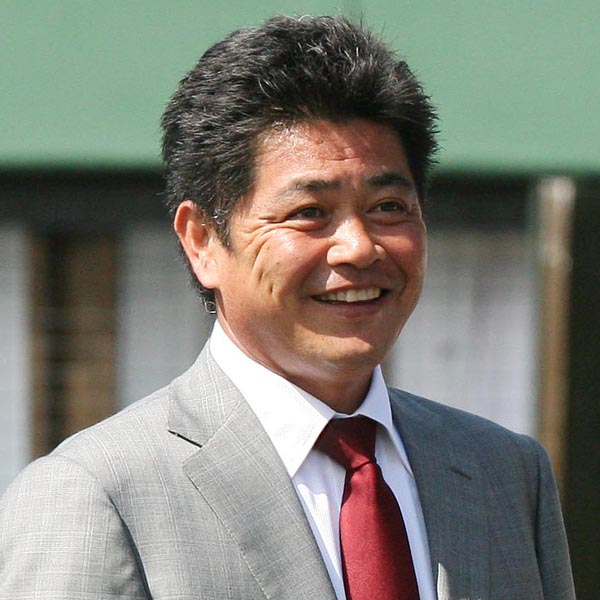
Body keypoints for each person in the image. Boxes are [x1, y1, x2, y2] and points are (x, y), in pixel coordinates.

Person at [0, 15, 574, 600]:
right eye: (309, 214)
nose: (359, 248)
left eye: (388, 207)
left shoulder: (504, 474)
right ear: (202, 241)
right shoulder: (96, 495)